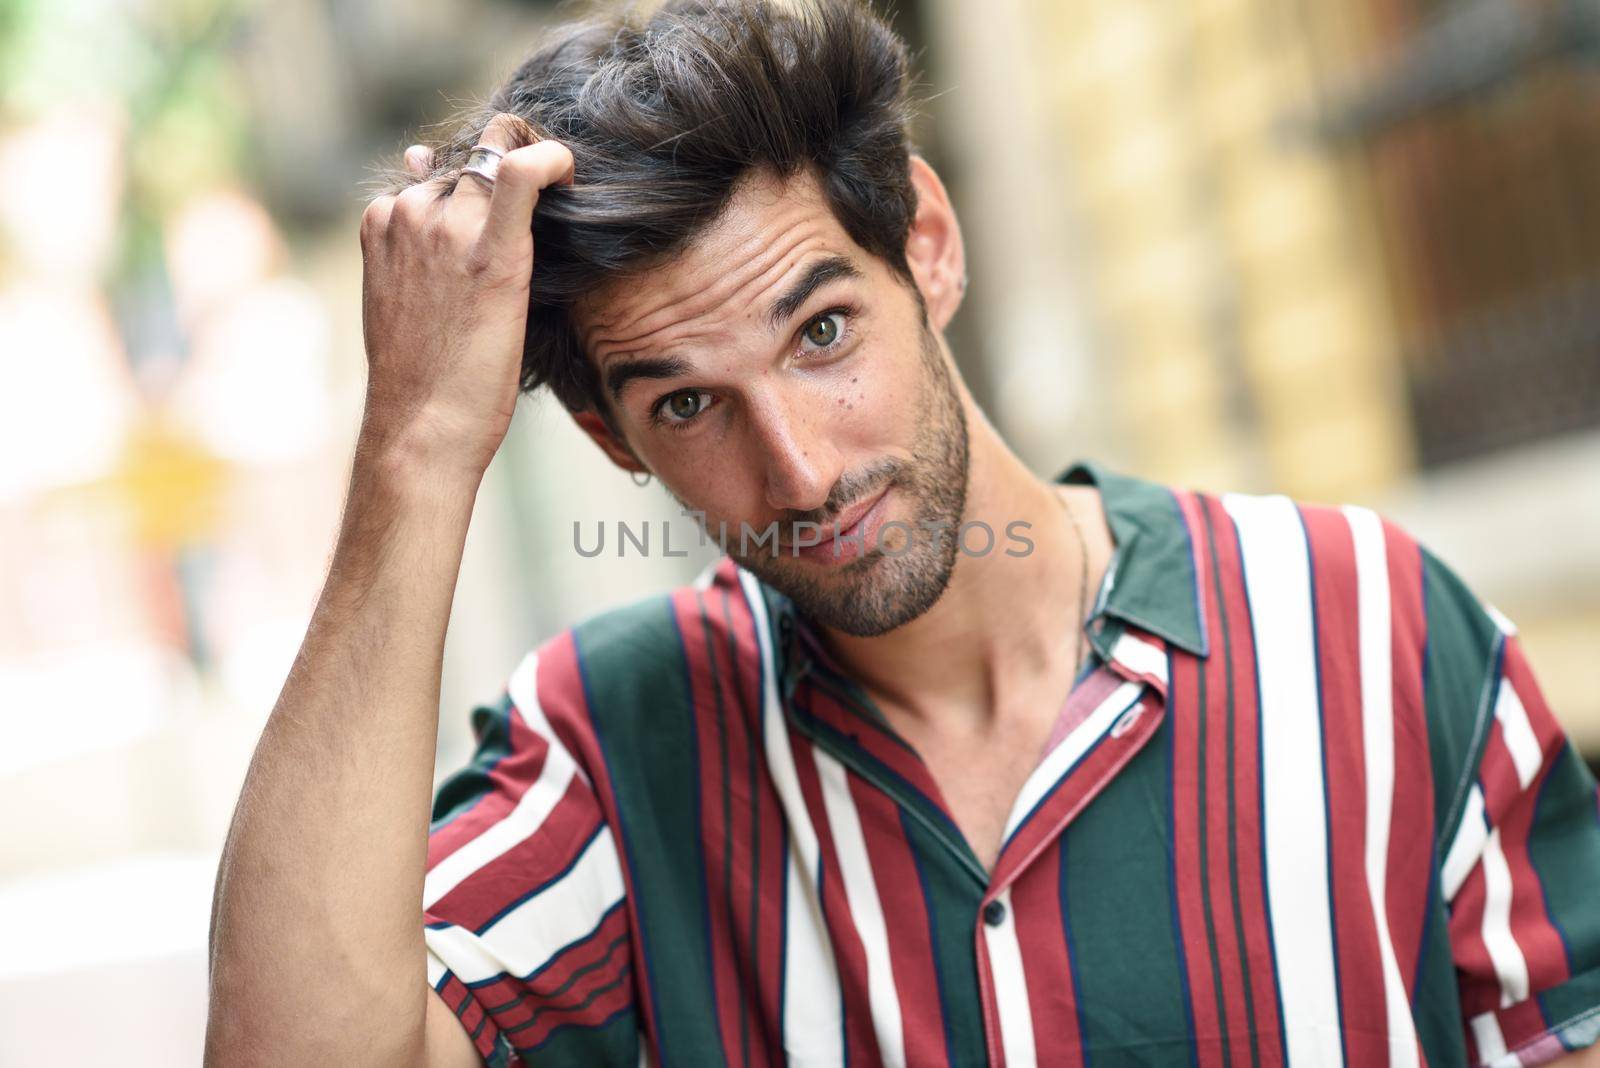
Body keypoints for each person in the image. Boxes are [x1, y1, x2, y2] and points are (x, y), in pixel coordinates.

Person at [203, 0, 1600, 1065]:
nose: (801, 473)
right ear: (609, 438)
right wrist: (413, 450)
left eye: (821, 331)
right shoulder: (607, 754)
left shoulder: (1374, 627)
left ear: (925, 240)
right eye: (688, 402)